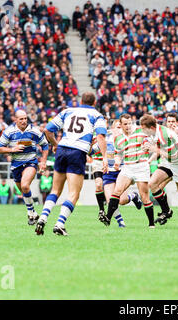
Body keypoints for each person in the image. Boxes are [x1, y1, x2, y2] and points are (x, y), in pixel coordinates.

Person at [36, 92, 108, 236]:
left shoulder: (67, 111)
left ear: (81, 101)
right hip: (78, 152)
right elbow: (100, 136)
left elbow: (47, 130)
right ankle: (59, 224)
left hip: (62, 149)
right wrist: (105, 157)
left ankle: (43, 218)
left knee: (55, 190)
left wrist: (55, 144)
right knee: (74, 193)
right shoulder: (97, 115)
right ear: (94, 102)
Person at [99, 113, 154, 228]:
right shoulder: (118, 138)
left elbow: (147, 140)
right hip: (127, 167)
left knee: (145, 197)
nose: (128, 126)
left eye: (130, 123)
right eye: (125, 124)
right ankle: (108, 219)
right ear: (121, 125)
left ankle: (151, 224)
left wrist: (147, 145)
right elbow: (118, 153)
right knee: (117, 192)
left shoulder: (140, 131)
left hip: (141, 166)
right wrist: (117, 161)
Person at [0, 109, 49, 225]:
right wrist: (12, 149)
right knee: (23, 191)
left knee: (25, 185)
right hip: (16, 164)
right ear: (15, 120)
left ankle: (30, 214)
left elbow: (45, 145)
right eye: (21, 119)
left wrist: (43, 161)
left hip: (30, 161)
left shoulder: (34, 131)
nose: (24, 121)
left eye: (25, 118)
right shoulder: (9, 131)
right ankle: (33, 213)